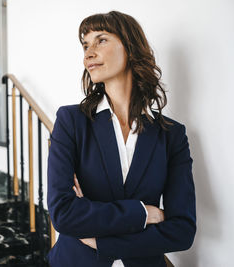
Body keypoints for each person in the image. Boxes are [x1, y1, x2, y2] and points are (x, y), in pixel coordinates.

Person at [46, 10, 196, 267]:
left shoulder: (171, 135)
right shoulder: (71, 121)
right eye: (85, 45)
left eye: (101, 40)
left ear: (130, 47)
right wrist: (144, 213)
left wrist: (103, 240)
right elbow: (63, 213)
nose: (88, 53)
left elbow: (182, 230)